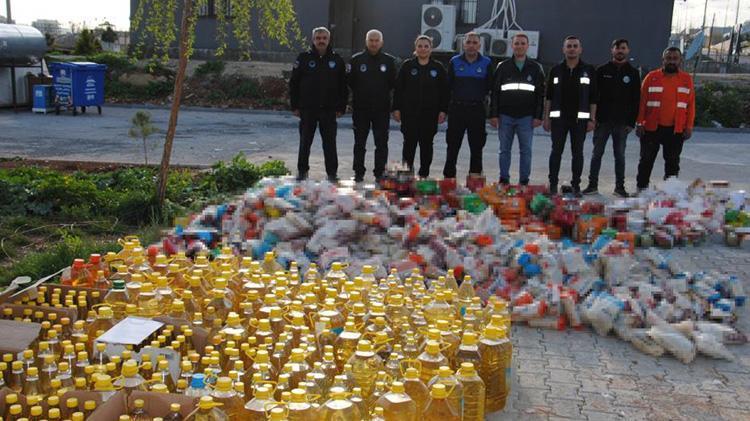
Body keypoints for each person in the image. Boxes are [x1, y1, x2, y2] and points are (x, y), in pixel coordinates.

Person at [582, 39, 641, 197]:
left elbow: (636, 100)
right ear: (612, 50)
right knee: (597, 154)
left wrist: (631, 122)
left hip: (622, 123)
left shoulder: (633, 73)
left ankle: (619, 188)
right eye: (617, 48)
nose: (620, 51)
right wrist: (593, 118)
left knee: (620, 156)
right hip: (602, 121)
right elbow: (594, 96)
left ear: (628, 50)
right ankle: (592, 185)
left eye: (623, 48)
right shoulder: (602, 70)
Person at [289, 27, 347, 182]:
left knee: (330, 144)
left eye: (324, 38)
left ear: (329, 40)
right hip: (308, 109)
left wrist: (341, 107)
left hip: (329, 109)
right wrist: (295, 106)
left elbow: (343, 86)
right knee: (305, 142)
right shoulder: (303, 58)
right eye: (318, 38)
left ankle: (332, 174)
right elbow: (294, 83)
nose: (321, 41)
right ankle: (302, 171)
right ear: (313, 40)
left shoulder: (337, 60)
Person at [543, 35, 598, 196]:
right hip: (558, 120)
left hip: (579, 121)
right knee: (556, 152)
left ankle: (576, 186)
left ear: (580, 49)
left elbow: (593, 97)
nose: (572, 49)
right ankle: (553, 184)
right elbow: (549, 96)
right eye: (569, 46)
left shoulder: (588, 70)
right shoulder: (556, 70)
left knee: (577, 153)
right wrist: (546, 118)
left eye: (575, 46)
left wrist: (592, 119)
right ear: (563, 49)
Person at [635, 47, 695, 191]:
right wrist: (639, 123)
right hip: (651, 127)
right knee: (646, 160)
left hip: (676, 129)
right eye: (668, 58)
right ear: (663, 60)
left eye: (675, 58)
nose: (671, 61)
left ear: (680, 60)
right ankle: (641, 189)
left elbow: (691, 105)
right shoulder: (651, 77)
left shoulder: (686, 79)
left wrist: (689, 127)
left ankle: (670, 192)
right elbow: (642, 102)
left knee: (672, 162)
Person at [489, 33, 545, 186]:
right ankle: (504, 179)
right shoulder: (503, 67)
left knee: (526, 150)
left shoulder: (535, 68)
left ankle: (524, 180)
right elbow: (495, 92)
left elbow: (540, 94)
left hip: (526, 117)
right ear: (512, 45)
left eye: (522, 43)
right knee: (504, 150)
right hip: (505, 115)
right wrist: (493, 114)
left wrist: (538, 116)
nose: (519, 46)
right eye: (517, 43)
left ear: (527, 46)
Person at [392, 35, 449, 178]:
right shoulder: (407, 66)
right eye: (420, 46)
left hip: (430, 115)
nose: (423, 49)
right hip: (409, 114)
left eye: (426, 46)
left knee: (427, 145)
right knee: (408, 145)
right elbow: (399, 89)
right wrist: (396, 108)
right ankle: (406, 174)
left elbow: (445, 91)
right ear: (415, 48)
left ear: (431, 49)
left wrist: (443, 110)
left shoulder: (438, 68)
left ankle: (424, 174)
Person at [348, 29, 398, 182]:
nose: (374, 43)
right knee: (359, 143)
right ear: (366, 41)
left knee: (381, 144)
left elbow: (393, 85)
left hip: (381, 109)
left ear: (381, 42)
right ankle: (358, 173)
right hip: (361, 109)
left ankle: (379, 173)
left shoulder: (389, 61)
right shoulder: (356, 60)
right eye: (371, 40)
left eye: (377, 40)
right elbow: (350, 82)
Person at [443, 32, 494, 179]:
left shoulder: (486, 63)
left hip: (477, 109)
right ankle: (449, 179)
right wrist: (444, 110)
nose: (471, 45)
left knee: (477, 147)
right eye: (468, 42)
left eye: (474, 43)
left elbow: (491, 88)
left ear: (479, 45)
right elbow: (447, 88)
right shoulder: (454, 62)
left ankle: (475, 180)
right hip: (457, 109)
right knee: (452, 146)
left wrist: (492, 113)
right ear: (463, 44)